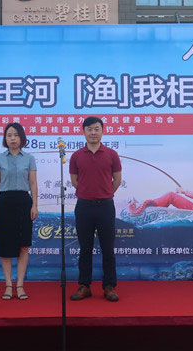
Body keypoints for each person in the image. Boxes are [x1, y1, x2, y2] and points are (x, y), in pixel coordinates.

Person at [69, 116, 122, 302]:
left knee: (108, 248)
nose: (93, 132)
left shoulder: (111, 154)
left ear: (102, 131)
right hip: (83, 206)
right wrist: (88, 193)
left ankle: (109, 286)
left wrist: (104, 193)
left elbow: (117, 180)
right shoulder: (76, 156)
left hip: (106, 206)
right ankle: (85, 286)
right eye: (89, 129)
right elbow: (75, 181)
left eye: (96, 129)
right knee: (85, 248)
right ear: (83, 132)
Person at [0, 123, 38, 300]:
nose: (12, 138)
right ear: (5, 138)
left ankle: (20, 285)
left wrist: (35, 205)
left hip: (24, 202)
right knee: (5, 245)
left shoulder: (29, 158)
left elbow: (33, 183)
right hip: (4, 202)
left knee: (23, 245)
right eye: (9, 135)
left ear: (22, 137)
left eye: (16, 135)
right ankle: (8, 284)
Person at [128, 165, 193, 214]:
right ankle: (150, 204)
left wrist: (184, 192)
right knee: (171, 195)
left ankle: (151, 206)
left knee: (171, 196)